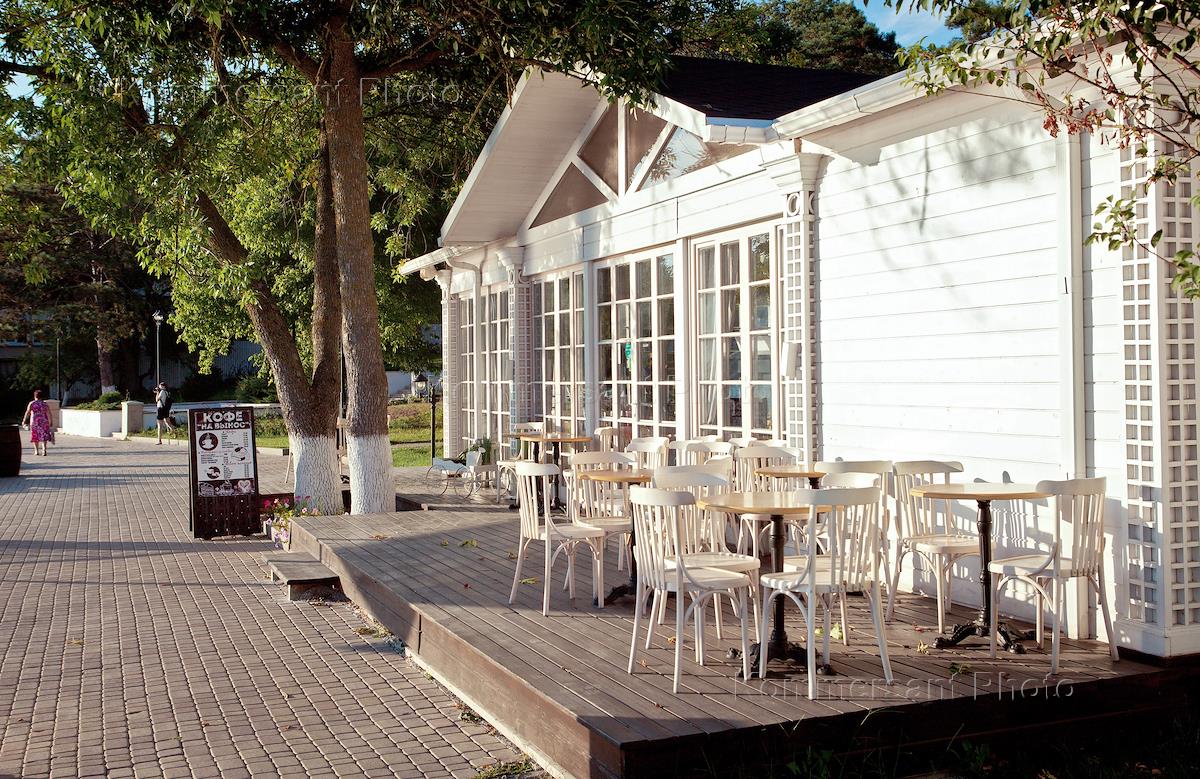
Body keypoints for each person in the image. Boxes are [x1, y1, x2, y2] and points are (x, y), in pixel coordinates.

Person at [20, 389, 53, 456]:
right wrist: (50, 421)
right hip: (44, 421)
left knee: (35, 436)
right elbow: (49, 413)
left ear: (35, 396)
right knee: (44, 435)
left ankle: (36, 451)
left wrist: (24, 420)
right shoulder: (44, 404)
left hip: (35, 421)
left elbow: (27, 412)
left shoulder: (32, 403)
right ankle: (44, 450)